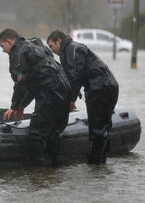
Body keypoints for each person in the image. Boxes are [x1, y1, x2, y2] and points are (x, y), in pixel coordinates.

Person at [0, 28, 71, 166]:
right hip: (64, 87)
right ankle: (55, 170)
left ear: (8, 41)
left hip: (50, 91)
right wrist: (22, 106)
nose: (3, 50)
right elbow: (33, 83)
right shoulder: (36, 45)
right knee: (53, 131)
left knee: (36, 133)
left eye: (2, 46)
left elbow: (21, 83)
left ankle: (39, 174)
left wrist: (14, 106)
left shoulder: (18, 52)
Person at [47, 30, 119, 164]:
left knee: (97, 129)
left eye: (51, 46)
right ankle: (101, 166)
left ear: (59, 41)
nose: (51, 51)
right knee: (104, 127)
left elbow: (75, 77)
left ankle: (95, 163)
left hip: (99, 88)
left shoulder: (70, 50)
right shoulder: (73, 49)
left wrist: (71, 100)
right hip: (109, 86)